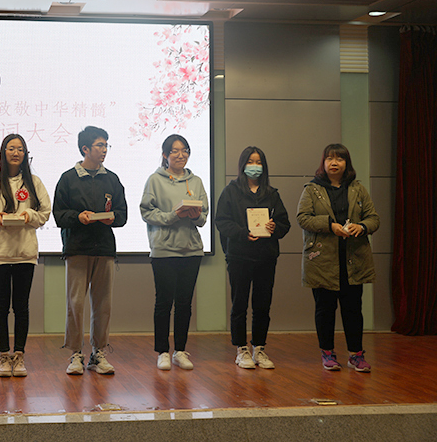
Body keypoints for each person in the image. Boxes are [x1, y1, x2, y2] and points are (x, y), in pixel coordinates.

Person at [297, 143, 379, 372]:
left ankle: (356, 355)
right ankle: (327, 353)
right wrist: (329, 225)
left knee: (353, 309)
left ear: (346, 163)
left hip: (353, 259)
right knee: (325, 309)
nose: (334, 163)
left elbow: (373, 218)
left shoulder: (358, 189)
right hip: (322, 260)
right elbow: (303, 218)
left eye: (339, 159)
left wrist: (361, 227)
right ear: (323, 163)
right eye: (330, 158)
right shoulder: (312, 189)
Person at [0, 134, 52, 377]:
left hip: (24, 253)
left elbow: (45, 213)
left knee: (21, 307)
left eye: (20, 149)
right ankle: (3, 356)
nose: (15, 153)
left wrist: (30, 215)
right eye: (11, 148)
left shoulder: (34, 182)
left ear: (25, 153)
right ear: (3, 152)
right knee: (0, 307)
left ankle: (19, 356)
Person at [53, 126, 127, 375]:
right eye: (100, 145)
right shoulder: (68, 178)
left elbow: (123, 215)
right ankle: (75, 353)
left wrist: (112, 217)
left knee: (103, 304)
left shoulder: (112, 179)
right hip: (77, 248)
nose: (104, 150)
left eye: (106, 145)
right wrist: (78, 217)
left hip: (104, 249)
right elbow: (59, 215)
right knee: (75, 303)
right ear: (85, 148)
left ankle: (98, 353)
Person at [215, 146, 290, 370]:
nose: (254, 166)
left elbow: (284, 223)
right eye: (250, 161)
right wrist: (242, 233)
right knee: (239, 304)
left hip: (266, 257)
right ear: (242, 165)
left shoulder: (272, 193)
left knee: (262, 305)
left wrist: (275, 227)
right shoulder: (231, 191)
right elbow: (222, 221)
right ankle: (241, 349)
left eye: (258, 162)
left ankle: (259, 348)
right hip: (239, 256)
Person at [139, 134, 208, 371]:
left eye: (184, 150)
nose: (181, 155)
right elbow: (147, 212)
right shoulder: (154, 180)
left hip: (191, 250)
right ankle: (162, 352)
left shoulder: (196, 181)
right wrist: (172, 216)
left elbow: (204, 217)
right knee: (164, 302)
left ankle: (180, 350)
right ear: (165, 155)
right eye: (175, 151)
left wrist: (195, 215)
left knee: (185, 303)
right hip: (164, 250)